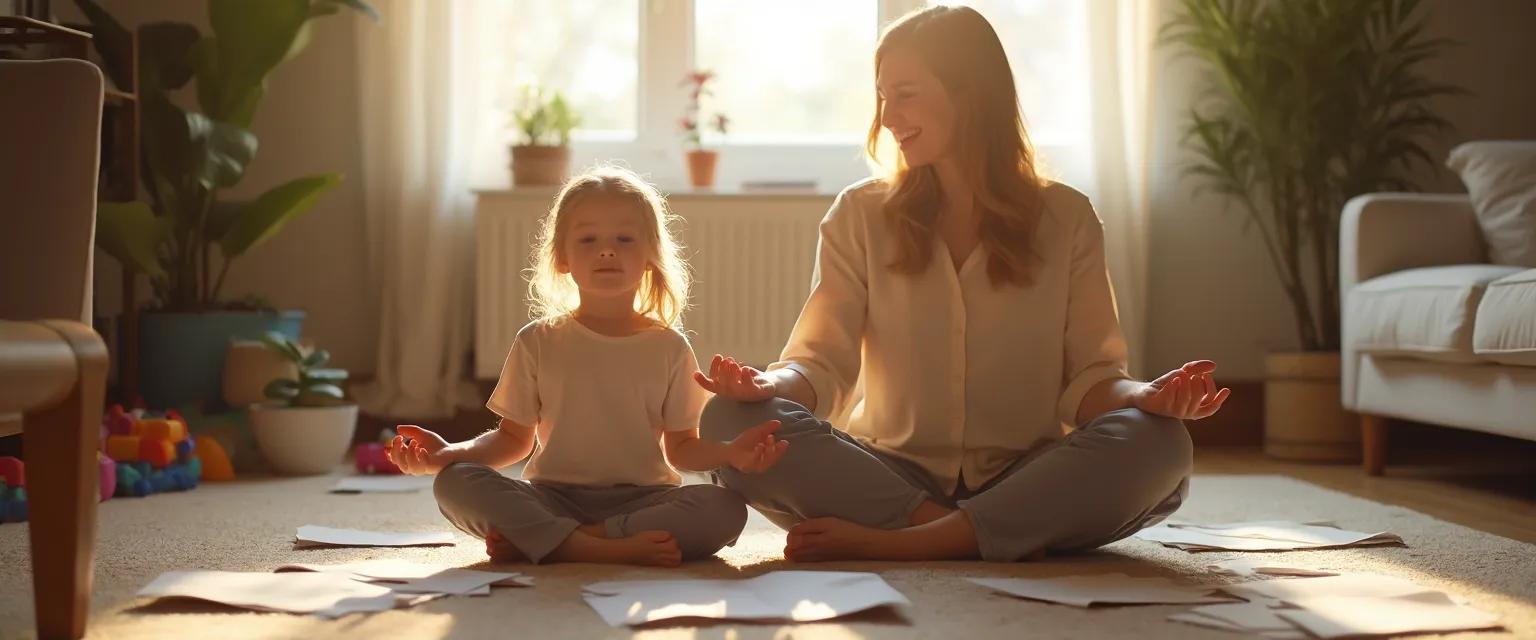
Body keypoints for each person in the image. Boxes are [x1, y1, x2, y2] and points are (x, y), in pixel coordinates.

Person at [695, 5, 1230, 563]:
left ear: (970, 94)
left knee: (1161, 441)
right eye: (882, 97)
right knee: (728, 421)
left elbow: (1093, 380)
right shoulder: (859, 214)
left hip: (1026, 473)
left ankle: (919, 540)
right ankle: (965, 533)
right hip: (887, 476)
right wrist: (766, 387)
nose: (886, 118)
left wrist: (1146, 397)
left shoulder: (1066, 217)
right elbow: (819, 366)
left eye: (904, 94)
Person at [390, 167, 788, 566]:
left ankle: (561, 541)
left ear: (650, 254)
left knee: (725, 507)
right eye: (588, 238)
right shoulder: (537, 341)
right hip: (551, 498)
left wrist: (729, 453)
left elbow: (681, 449)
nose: (607, 250)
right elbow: (513, 440)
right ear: (562, 258)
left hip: (644, 500)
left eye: (624, 239)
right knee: (456, 483)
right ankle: (589, 545)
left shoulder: (670, 347)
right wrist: (447, 454)